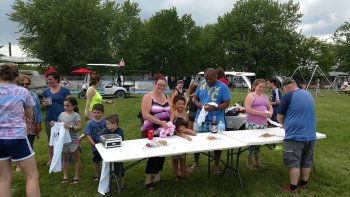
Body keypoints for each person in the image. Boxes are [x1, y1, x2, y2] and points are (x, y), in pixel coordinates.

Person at [0, 63, 41, 197]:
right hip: (17, 137)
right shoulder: (23, 91)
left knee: (4, 179)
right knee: (32, 176)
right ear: (17, 76)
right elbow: (30, 115)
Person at [277, 77, 317, 194]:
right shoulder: (308, 94)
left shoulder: (287, 96)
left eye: (283, 89)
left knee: (294, 162)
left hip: (295, 136)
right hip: (310, 134)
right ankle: (304, 184)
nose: (283, 91)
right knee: (306, 161)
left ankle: (293, 188)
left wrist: (284, 125)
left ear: (287, 86)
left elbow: (279, 117)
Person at [191, 68, 231, 174]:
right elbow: (195, 98)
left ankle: (216, 165)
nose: (208, 81)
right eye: (206, 78)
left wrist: (214, 107)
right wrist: (197, 103)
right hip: (201, 118)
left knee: (217, 142)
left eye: (210, 79)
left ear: (216, 77)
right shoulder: (201, 84)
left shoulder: (223, 87)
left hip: (216, 120)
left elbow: (227, 104)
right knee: (197, 141)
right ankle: (196, 162)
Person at [141, 74, 171, 190]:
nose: (162, 87)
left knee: (162, 153)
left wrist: (170, 123)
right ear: (155, 84)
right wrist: (160, 123)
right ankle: (147, 180)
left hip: (164, 130)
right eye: (159, 85)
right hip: (151, 130)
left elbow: (171, 112)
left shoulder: (166, 96)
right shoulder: (148, 97)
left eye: (164, 85)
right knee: (153, 155)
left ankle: (158, 176)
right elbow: (145, 114)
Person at [50, 96, 82, 184]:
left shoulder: (76, 115)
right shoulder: (61, 114)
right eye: (64, 105)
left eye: (67, 105)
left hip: (74, 140)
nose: (65, 107)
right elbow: (58, 124)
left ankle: (76, 176)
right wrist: (53, 123)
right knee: (65, 159)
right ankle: (65, 176)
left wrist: (70, 127)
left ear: (74, 106)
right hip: (63, 140)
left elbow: (79, 128)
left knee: (76, 158)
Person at [43, 71, 71, 166]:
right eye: (48, 79)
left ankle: (64, 159)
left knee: (63, 139)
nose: (49, 81)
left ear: (57, 79)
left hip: (62, 119)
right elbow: (43, 104)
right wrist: (44, 104)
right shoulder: (46, 91)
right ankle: (51, 159)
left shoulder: (64, 90)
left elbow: (70, 104)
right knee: (51, 140)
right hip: (50, 118)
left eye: (50, 79)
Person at [244, 79, 273, 169]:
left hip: (263, 123)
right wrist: (261, 113)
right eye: (260, 86)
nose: (261, 89)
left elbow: (270, 107)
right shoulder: (251, 96)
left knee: (259, 143)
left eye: (263, 87)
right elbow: (247, 109)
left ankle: (257, 162)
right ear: (255, 86)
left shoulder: (265, 96)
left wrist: (271, 112)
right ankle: (249, 162)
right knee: (252, 143)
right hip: (252, 123)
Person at [170, 96, 197, 180]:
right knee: (175, 158)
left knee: (182, 157)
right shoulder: (173, 114)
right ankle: (176, 175)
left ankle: (183, 174)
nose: (181, 106)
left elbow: (188, 127)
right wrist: (182, 135)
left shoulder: (186, 114)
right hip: (175, 138)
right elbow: (172, 129)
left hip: (184, 138)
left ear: (185, 104)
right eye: (179, 104)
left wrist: (187, 132)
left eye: (182, 104)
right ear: (175, 104)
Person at [17, 75, 43, 149]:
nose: (25, 85)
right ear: (18, 84)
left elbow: (38, 110)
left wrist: (38, 123)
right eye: (22, 84)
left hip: (31, 124)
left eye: (27, 83)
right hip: (18, 125)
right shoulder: (14, 96)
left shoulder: (34, 96)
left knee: (30, 146)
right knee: (19, 146)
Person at [101, 114, 125, 188]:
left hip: (118, 154)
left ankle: (122, 184)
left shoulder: (119, 131)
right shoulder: (107, 130)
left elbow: (118, 139)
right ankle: (110, 177)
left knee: (119, 168)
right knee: (111, 167)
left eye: (108, 124)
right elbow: (101, 136)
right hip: (110, 153)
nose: (106, 126)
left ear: (114, 124)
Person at [84, 103, 106, 181]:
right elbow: (87, 134)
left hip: (105, 145)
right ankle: (96, 174)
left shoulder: (105, 121)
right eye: (94, 112)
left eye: (98, 112)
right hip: (95, 146)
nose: (96, 114)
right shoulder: (90, 123)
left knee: (105, 159)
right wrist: (92, 142)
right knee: (96, 160)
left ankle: (106, 173)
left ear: (102, 113)